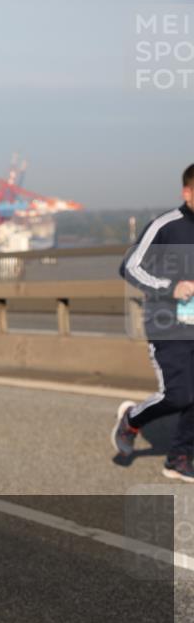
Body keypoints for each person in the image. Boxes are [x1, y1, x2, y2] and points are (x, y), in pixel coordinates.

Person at [113, 163, 194, 482]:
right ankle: (132, 419)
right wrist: (170, 286)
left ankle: (179, 458)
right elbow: (130, 267)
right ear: (187, 192)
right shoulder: (166, 225)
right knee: (179, 395)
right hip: (168, 324)